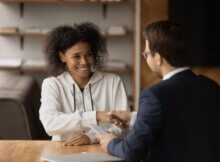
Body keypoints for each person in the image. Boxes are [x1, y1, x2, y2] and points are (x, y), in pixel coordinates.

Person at [97, 20, 220, 162]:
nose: (146, 58)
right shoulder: (211, 86)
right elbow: (180, 121)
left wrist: (111, 143)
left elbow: (131, 152)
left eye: (146, 54)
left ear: (158, 58)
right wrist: (133, 117)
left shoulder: (154, 95)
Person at [39, 22, 129, 146]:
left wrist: (92, 137)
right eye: (76, 56)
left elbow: (124, 128)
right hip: (63, 152)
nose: (84, 62)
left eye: (89, 55)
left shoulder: (113, 82)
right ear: (62, 57)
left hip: (104, 151)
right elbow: (50, 124)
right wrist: (96, 116)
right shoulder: (52, 84)